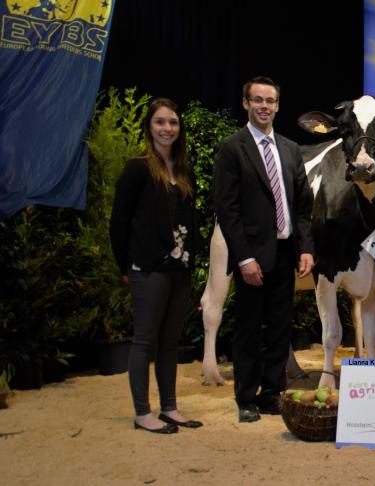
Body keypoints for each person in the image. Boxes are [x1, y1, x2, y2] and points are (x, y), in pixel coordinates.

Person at [213, 76, 315, 423]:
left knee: (279, 328)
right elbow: (227, 210)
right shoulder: (232, 148)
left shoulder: (289, 148)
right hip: (253, 258)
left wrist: (305, 248)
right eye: (257, 100)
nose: (264, 107)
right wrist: (244, 257)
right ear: (245, 104)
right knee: (248, 330)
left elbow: (303, 205)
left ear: (277, 106)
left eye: (270, 101)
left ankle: (272, 395)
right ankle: (246, 398)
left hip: (286, 254)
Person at [109, 98, 203, 434]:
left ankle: (169, 407)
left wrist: (193, 260)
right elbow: (118, 223)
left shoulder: (183, 169)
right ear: (150, 127)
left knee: (170, 341)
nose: (167, 129)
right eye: (161, 122)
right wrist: (126, 265)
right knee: (145, 341)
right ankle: (141, 413)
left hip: (180, 270)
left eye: (173, 122)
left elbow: (190, 221)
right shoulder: (138, 168)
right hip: (147, 268)